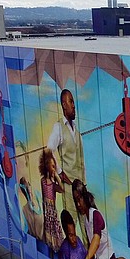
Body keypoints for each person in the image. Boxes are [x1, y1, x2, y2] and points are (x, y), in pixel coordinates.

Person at [47, 88, 88, 246]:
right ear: (64, 105)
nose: (74, 105)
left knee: (85, 222)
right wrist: (59, 172)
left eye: (73, 102)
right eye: (70, 102)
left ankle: (89, 258)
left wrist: (84, 184)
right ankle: (75, 257)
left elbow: (81, 159)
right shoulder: (59, 127)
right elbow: (49, 150)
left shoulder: (76, 130)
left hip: (80, 186)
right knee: (71, 224)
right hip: (68, 185)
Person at [39, 148, 65, 253]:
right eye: (52, 166)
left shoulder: (53, 185)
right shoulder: (43, 181)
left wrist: (57, 177)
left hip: (53, 212)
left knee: (57, 233)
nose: (54, 168)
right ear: (47, 166)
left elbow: (62, 189)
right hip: (47, 212)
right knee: (49, 236)